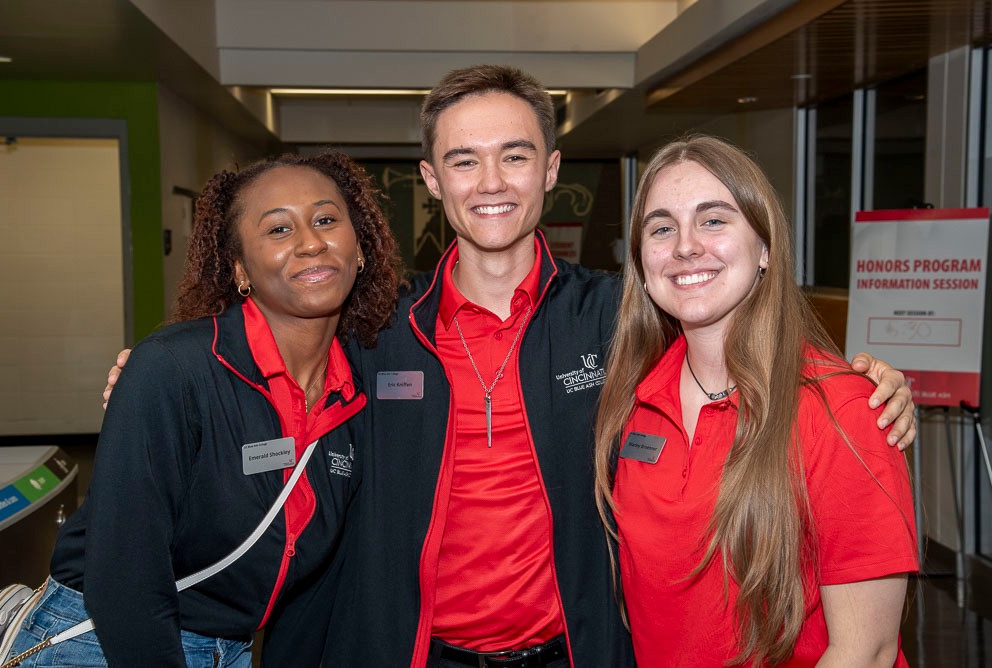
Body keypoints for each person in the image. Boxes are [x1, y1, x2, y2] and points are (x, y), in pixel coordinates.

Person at [105, 66, 916, 668]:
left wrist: (865, 382)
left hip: (578, 651)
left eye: (516, 157)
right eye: (463, 161)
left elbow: (737, 329)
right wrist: (158, 379)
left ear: (552, 172)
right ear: (431, 182)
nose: (490, 183)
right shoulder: (373, 326)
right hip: (410, 651)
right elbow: (266, 361)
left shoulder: (623, 318)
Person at [7, 150, 402, 667]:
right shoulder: (175, 368)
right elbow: (124, 570)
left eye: (327, 220)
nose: (311, 242)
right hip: (102, 642)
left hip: (229, 649)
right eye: (279, 231)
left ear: (360, 248)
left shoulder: (355, 386)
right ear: (240, 268)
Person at [594, 135, 917, 666]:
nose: (685, 245)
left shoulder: (842, 410)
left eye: (714, 219)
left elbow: (868, 650)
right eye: (661, 228)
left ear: (765, 247)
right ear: (642, 266)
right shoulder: (632, 400)